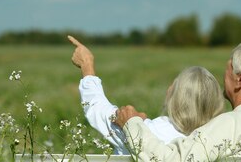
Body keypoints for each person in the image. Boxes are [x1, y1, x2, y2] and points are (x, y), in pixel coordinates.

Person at [68, 35, 225, 155]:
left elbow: (98, 110)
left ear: (177, 100)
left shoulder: (144, 132)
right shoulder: (216, 141)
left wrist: (87, 65)